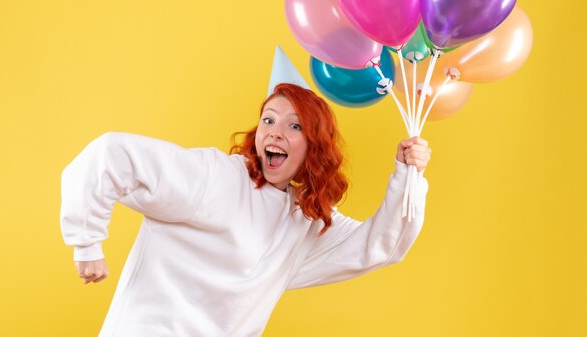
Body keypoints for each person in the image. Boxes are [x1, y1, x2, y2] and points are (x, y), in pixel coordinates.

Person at [60, 83, 431, 336]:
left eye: (294, 125)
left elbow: (381, 244)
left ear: (313, 147)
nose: (274, 132)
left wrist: (408, 175)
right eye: (268, 120)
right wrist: (87, 241)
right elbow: (110, 155)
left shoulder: (300, 221)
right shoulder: (216, 178)